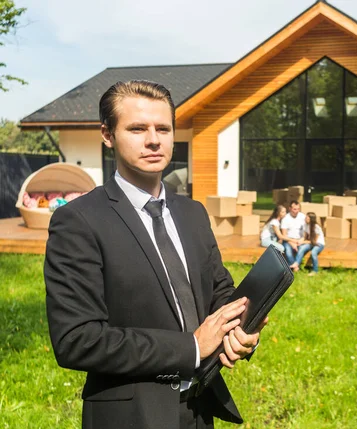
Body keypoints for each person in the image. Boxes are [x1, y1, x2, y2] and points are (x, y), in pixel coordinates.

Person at [44, 80, 267, 429]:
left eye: (163, 128)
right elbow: (76, 340)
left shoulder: (192, 213)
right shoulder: (79, 221)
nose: (153, 139)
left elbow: (219, 291)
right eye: (137, 128)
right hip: (131, 416)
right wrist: (191, 347)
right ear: (107, 134)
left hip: (201, 408)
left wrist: (241, 325)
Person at [289, 212, 325, 276]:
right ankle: (296, 264)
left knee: (314, 252)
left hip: (319, 243)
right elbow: (304, 237)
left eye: (307, 218)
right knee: (302, 248)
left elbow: (314, 241)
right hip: (311, 242)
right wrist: (298, 241)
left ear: (311, 219)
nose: (305, 218)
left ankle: (315, 271)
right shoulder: (305, 225)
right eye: (306, 217)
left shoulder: (316, 227)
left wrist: (303, 242)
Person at [280, 200, 306, 265]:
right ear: (290, 208)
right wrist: (292, 243)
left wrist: (301, 240)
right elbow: (284, 235)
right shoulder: (285, 218)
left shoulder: (303, 217)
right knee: (288, 251)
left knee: (302, 249)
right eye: (294, 209)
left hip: (300, 239)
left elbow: (307, 232)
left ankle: (294, 266)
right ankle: (295, 266)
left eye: (298, 209)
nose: (296, 211)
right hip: (288, 240)